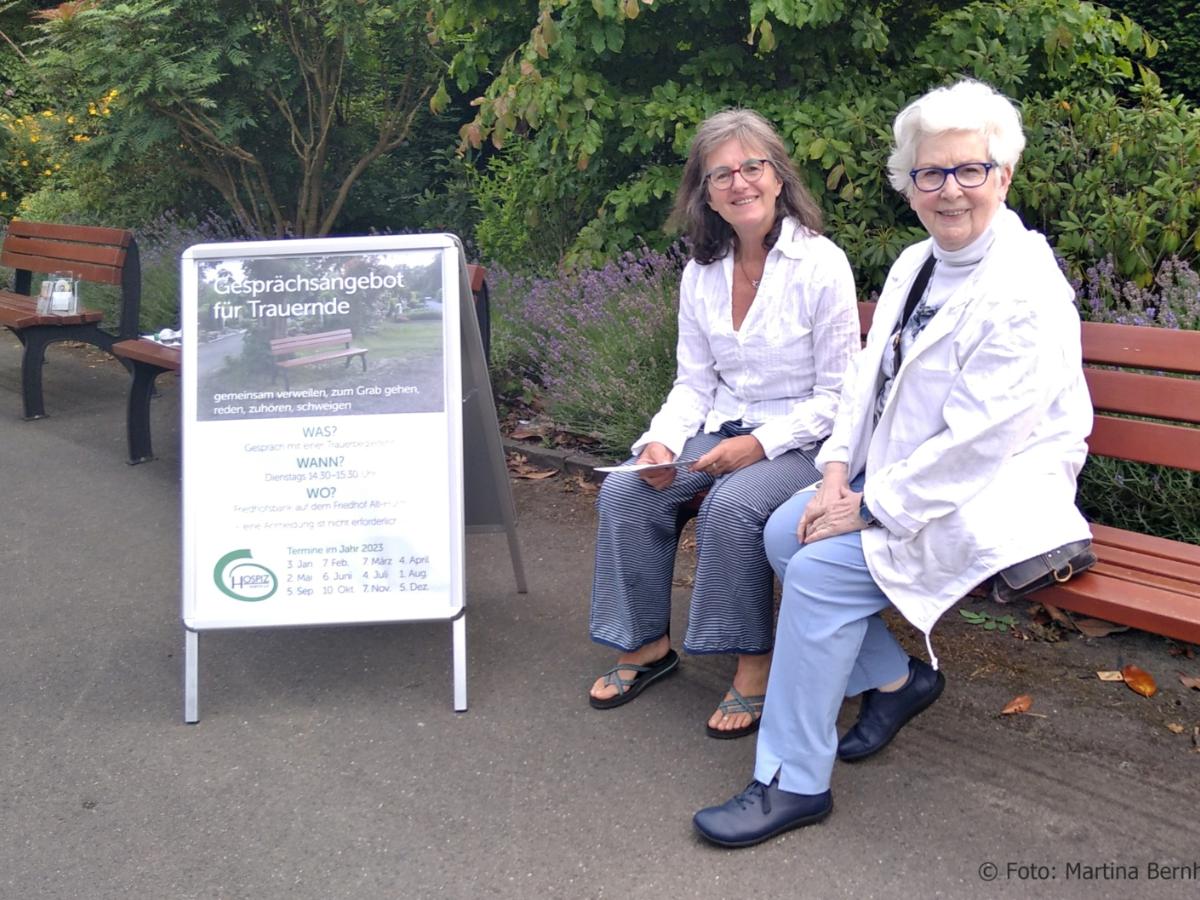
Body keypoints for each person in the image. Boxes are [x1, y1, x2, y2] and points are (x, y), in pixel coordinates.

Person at [693, 79, 1093, 845]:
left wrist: (866, 508)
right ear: (908, 185)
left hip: (992, 489)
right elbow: (863, 384)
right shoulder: (921, 261)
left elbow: (981, 445)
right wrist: (837, 471)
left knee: (813, 569)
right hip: (903, 474)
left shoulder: (1022, 289)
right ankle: (896, 680)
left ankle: (791, 780)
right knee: (783, 532)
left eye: (968, 170)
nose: (949, 191)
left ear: (1002, 175)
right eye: (929, 173)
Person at [587, 108, 859, 738]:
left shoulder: (822, 265)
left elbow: (840, 397)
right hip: (718, 428)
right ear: (704, 193)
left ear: (777, 176)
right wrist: (659, 443)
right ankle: (645, 646)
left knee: (732, 506)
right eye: (720, 175)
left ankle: (754, 665)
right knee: (626, 488)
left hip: (805, 441)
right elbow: (693, 383)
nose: (739, 183)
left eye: (751, 167)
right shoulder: (701, 272)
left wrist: (756, 444)